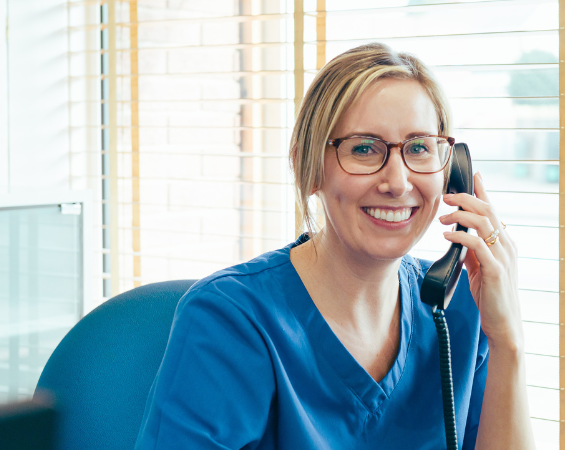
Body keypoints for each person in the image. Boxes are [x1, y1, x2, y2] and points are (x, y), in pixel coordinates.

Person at [134, 43, 535, 449]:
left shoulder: (462, 312)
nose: (397, 183)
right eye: (364, 148)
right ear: (308, 168)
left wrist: (509, 341)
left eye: (418, 148)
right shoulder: (231, 319)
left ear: (452, 174)